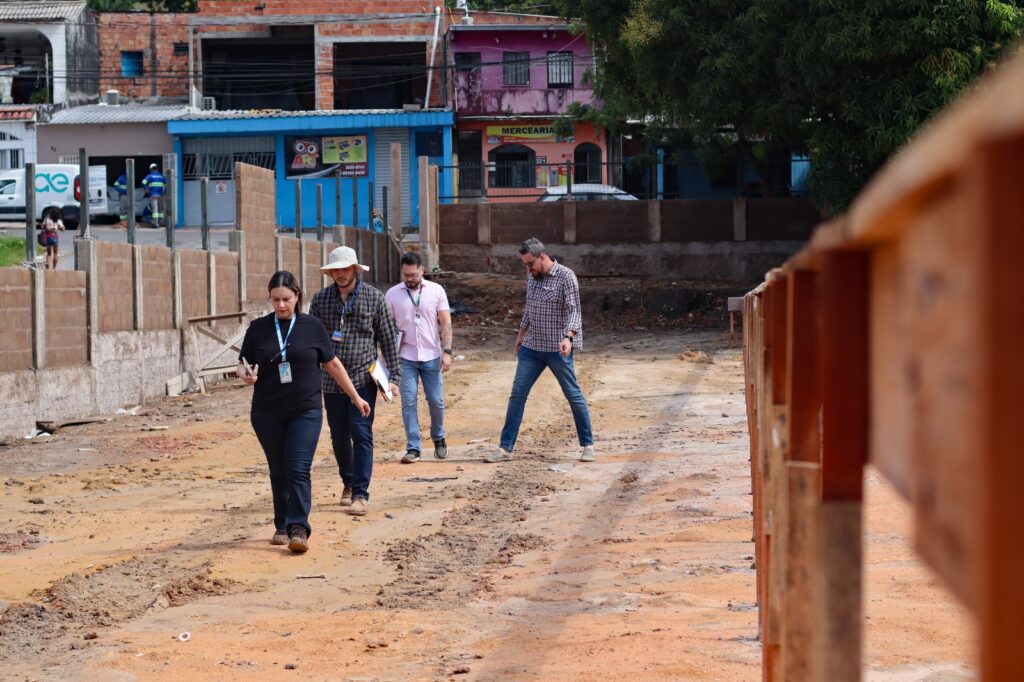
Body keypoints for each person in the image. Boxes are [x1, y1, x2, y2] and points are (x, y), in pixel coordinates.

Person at [238, 271, 370, 554]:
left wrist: (356, 397)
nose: (281, 305)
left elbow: (333, 364)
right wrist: (244, 374)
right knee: (278, 470)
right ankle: (281, 525)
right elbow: (244, 363)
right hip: (267, 411)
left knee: (297, 468)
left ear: (297, 296)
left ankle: (299, 527)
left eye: (286, 299)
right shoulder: (258, 328)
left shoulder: (313, 326)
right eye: (276, 300)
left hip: (305, 411)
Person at [309, 246, 401, 516]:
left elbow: (387, 337)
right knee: (339, 437)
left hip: (363, 377)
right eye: (335, 270)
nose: (340, 274)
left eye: (345, 269)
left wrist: (394, 377)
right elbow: (313, 338)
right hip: (331, 381)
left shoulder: (374, 298)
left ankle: (361, 493)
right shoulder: (321, 300)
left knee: (361, 433)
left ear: (355, 270)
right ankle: (348, 482)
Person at [486, 238, 596, 463]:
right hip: (532, 347)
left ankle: (588, 445)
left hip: (557, 348)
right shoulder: (533, 275)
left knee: (573, 395)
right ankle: (505, 448)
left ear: (543, 257)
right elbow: (530, 306)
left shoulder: (566, 277)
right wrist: (520, 335)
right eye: (525, 265)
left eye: (530, 264)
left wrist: (568, 338)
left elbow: (573, 311)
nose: (528, 269)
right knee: (517, 394)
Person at [385, 251, 453, 464]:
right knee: (408, 401)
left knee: (436, 400)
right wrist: (387, 360)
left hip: (432, 354)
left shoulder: (436, 291)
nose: (409, 279)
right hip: (405, 356)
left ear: (422, 270)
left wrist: (447, 351)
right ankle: (413, 447)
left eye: (413, 275)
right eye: (405, 275)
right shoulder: (392, 294)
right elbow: (387, 328)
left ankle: (438, 437)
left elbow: (445, 322)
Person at [141, 163, 166, 228]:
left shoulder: (149, 176)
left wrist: (146, 189)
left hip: (153, 195)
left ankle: (156, 223)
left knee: (155, 209)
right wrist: (164, 192)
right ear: (157, 168)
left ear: (151, 169)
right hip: (160, 195)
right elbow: (167, 184)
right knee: (161, 210)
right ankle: (161, 223)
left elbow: (143, 183)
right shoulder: (162, 176)